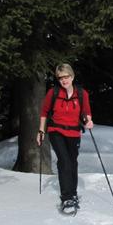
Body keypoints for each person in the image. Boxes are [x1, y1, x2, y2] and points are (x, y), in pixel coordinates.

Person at [36, 63, 93, 209]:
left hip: (74, 132)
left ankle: (73, 193)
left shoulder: (82, 94)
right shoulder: (53, 93)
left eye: (66, 77)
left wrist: (88, 121)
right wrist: (41, 131)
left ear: (72, 77)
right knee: (64, 161)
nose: (64, 80)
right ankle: (66, 197)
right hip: (56, 131)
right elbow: (44, 112)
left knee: (72, 161)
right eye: (60, 78)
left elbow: (86, 112)